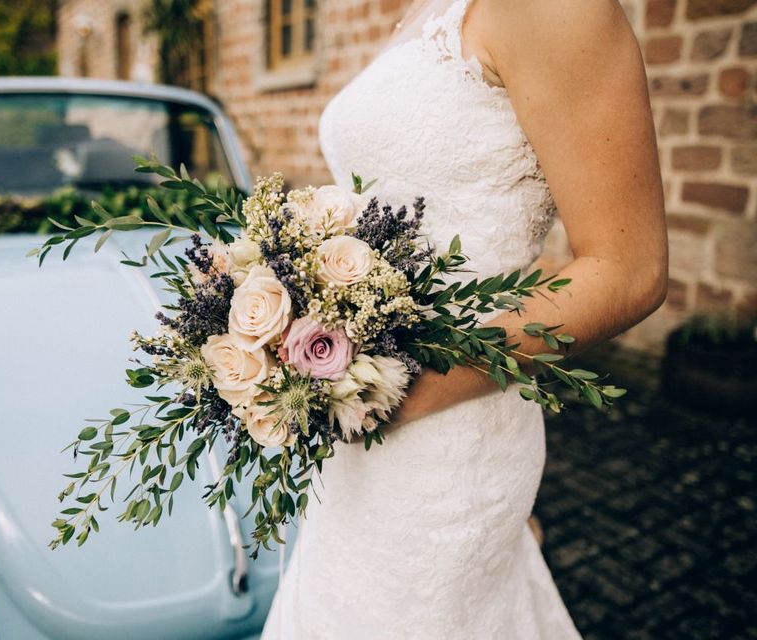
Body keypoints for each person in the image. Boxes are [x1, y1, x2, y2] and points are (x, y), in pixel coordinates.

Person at [261, 0, 668, 637]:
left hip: (441, 428)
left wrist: (408, 389)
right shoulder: (426, 9)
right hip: (358, 408)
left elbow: (629, 267)